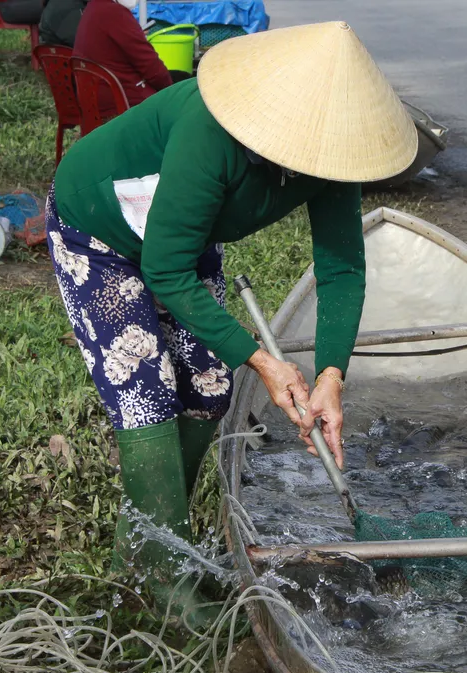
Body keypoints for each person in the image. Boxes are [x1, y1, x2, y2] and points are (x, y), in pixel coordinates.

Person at [46, 21, 417, 618]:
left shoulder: (329, 160)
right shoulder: (210, 129)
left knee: (210, 386)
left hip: (180, 235)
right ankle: (165, 579)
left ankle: (146, 547)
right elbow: (166, 271)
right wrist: (265, 360)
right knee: (145, 391)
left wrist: (330, 376)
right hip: (100, 231)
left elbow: (342, 269)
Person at [73, 0, 173, 115]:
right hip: (123, 103)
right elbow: (152, 67)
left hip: (95, 100)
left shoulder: (94, 7)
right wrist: (172, 91)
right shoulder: (115, 13)